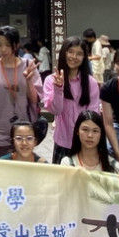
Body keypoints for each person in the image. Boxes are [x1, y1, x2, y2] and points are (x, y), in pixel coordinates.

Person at [0, 25, 42, 158]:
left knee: (24, 167)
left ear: (16, 45)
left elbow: (35, 99)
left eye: (7, 45)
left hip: (24, 132)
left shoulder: (28, 66)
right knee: (2, 168)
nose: (3, 49)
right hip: (0, 132)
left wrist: (28, 81)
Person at [43, 36, 101, 164]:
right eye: (70, 52)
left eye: (79, 54)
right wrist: (58, 88)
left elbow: (94, 114)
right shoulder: (51, 80)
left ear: (84, 57)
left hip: (85, 144)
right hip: (63, 142)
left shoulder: (91, 83)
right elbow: (56, 110)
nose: (74, 57)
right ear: (64, 53)